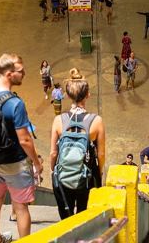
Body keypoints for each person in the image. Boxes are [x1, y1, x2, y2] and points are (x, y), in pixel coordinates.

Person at [0, 54, 43, 242]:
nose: (24, 74)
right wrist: (37, 163)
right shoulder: (15, 103)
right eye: (20, 71)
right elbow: (25, 140)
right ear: (8, 74)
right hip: (15, 162)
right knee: (21, 207)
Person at [50, 69, 106, 219]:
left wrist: (53, 171)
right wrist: (98, 174)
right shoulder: (96, 121)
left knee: (66, 219)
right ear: (87, 94)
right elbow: (101, 154)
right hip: (86, 178)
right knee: (84, 217)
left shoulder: (58, 120)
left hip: (63, 177)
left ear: (68, 96)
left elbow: (53, 153)